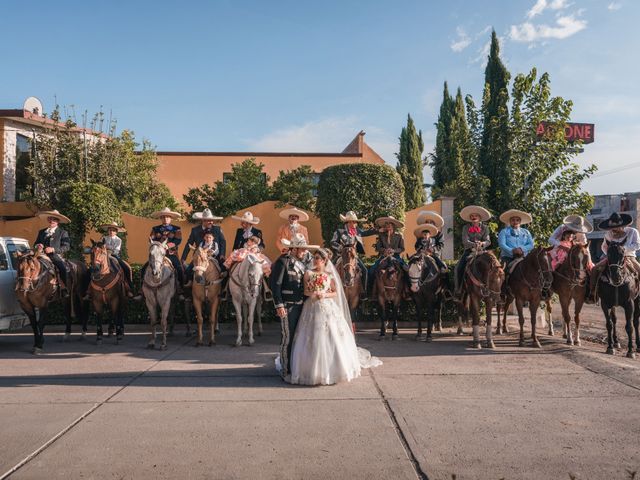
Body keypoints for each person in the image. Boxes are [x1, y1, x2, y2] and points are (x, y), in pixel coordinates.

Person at [287, 247, 382, 385]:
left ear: (324, 261)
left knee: (366, 270)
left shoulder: (329, 275)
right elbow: (305, 291)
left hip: (327, 305)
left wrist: (324, 294)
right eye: (314, 258)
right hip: (312, 306)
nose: (315, 261)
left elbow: (335, 292)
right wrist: (313, 293)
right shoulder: (308, 273)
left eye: (318, 259)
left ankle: (366, 292)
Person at [270, 233, 318, 377]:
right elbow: (275, 285)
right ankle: (285, 368)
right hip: (287, 305)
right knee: (288, 337)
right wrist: (279, 305)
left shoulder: (302, 264)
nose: (304, 252)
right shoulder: (282, 262)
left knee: (299, 337)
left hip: (301, 305)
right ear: (294, 249)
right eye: (302, 249)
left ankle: (295, 365)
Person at [587, 212, 640, 303]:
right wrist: (610, 254)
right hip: (612, 258)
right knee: (595, 269)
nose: (612, 230)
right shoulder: (609, 234)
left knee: (639, 270)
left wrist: (623, 249)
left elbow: (637, 245)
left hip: (629, 256)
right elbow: (603, 246)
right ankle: (593, 293)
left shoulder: (632, 231)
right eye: (611, 228)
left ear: (621, 225)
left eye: (614, 228)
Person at [330, 211, 376, 293]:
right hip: (341, 256)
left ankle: (363, 293)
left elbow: (366, 232)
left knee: (365, 270)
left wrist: (377, 230)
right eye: (354, 222)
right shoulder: (339, 231)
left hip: (353, 256)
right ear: (349, 222)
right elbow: (332, 242)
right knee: (330, 270)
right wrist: (341, 248)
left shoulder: (357, 231)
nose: (355, 223)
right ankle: (330, 290)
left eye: (355, 222)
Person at [454, 205, 492, 301]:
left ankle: (494, 291)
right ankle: (458, 290)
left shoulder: (485, 228)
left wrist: (482, 243)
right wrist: (474, 244)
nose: (474, 217)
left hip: (482, 251)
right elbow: (465, 241)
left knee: (495, 267)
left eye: (476, 215)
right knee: (458, 267)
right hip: (469, 251)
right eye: (472, 216)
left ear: (480, 217)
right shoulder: (465, 227)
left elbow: (488, 241)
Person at [33, 209, 71, 297]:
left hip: (54, 256)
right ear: (48, 220)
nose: (52, 221)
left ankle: (64, 288)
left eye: (54, 219)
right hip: (40, 255)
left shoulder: (63, 232)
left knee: (62, 268)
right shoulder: (42, 232)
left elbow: (66, 247)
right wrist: (38, 246)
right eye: (50, 219)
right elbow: (35, 244)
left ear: (58, 221)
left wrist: (53, 249)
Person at [98, 222, 134, 297]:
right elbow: (99, 247)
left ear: (116, 232)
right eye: (110, 230)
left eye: (113, 230)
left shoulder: (118, 240)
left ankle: (129, 289)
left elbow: (116, 250)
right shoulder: (103, 238)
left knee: (127, 268)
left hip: (114, 256)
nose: (111, 232)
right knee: (93, 267)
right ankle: (88, 290)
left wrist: (107, 248)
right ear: (107, 231)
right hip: (103, 256)